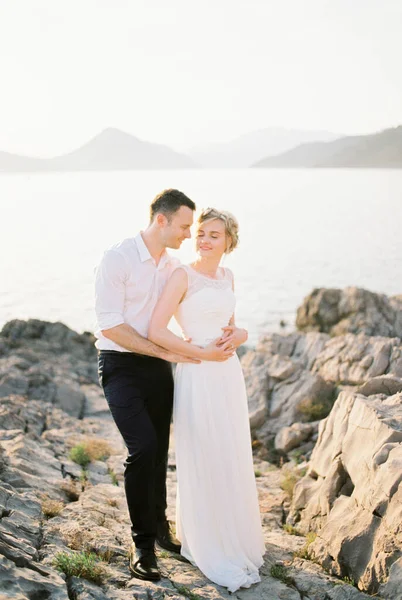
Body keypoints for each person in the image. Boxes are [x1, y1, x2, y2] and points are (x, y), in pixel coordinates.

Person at [95, 190, 236, 582]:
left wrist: (228, 333)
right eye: (185, 226)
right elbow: (109, 325)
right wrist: (166, 351)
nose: (190, 234)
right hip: (120, 365)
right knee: (143, 449)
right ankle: (142, 546)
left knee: (160, 453)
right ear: (162, 220)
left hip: (159, 367)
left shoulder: (174, 266)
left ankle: (160, 529)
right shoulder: (117, 258)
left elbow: (191, 310)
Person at [148, 207, 265, 593]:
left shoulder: (228, 275)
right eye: (201, 233)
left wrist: (242, 334)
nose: (204, 240)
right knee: (204, 452)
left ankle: (234, 534)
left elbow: (232, 326)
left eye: (214, 235)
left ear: (229, 240)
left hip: (228, 375)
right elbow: (156, 329)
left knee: (230, 452)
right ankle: (208, 542)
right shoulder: (182, 275)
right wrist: (198, 351)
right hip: (198, 372)